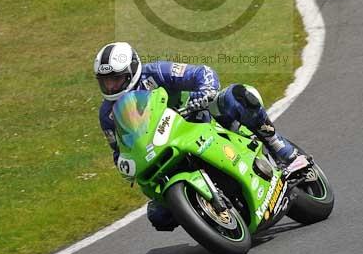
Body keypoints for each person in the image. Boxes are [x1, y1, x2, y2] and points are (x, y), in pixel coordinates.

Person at [94, 41, 297, 231]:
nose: (111, 86)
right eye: (105, 81)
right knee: (158, 216)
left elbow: (202, 72)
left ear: (132, 71)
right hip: (162, 151)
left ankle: (279, 147)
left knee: (237, 96)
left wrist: (205, 91)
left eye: (116, 79)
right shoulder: (107, 115)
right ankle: (207, 216)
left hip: (196, 120)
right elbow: (119, 150)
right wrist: (124, 164)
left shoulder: (155, 72)